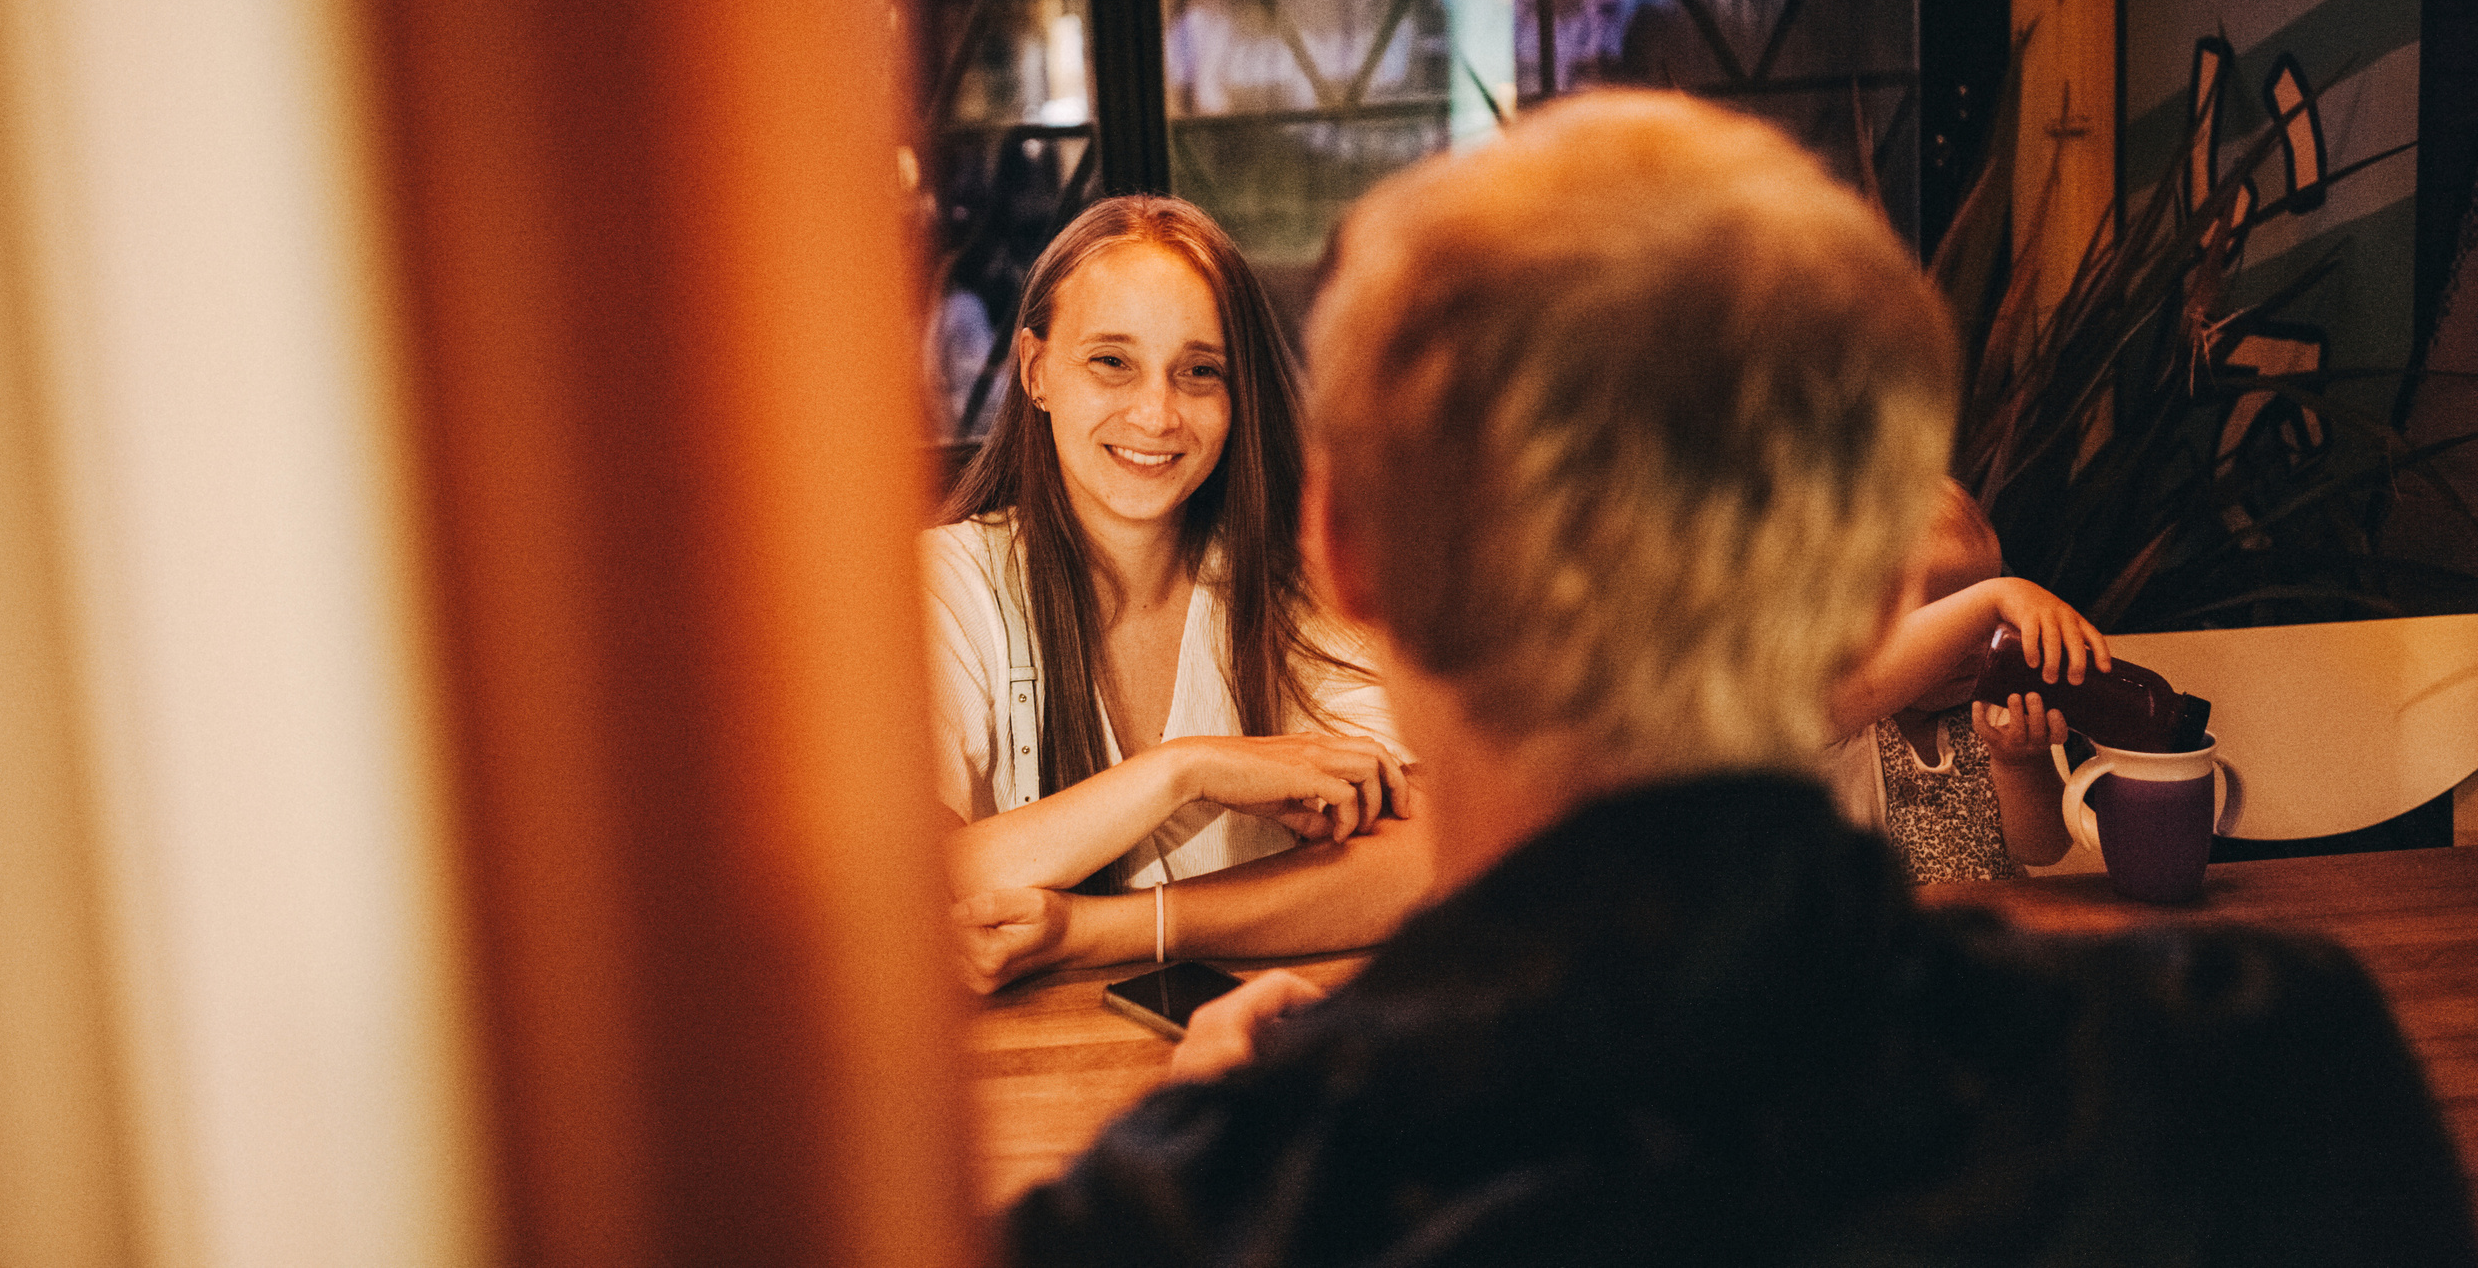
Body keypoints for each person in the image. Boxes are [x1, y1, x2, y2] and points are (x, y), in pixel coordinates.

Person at [1007, 92, 2476, 1267]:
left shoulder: (1190, 1212)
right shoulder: (2267, 1071)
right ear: (1864, 581)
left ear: (1350, 550)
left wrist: (1223, 1130)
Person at [927, 195, 1428, 992]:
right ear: (1036, 370)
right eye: (1112, 361)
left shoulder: (1292, 585)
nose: (1157, 413)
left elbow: (1425, 855)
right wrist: (1186, 770)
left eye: (1199, 372)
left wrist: (1095, 931)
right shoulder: (951, 583)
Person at [1824, 481, 2099, 880]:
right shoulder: (1843, 716)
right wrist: (1995, 597)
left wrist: (2020, 764)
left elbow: (2043, 849)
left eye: (1994, 622)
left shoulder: (1999, 711)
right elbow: (1867, 684)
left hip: (1990, 935)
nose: (1982, 642)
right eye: (1956, 617)